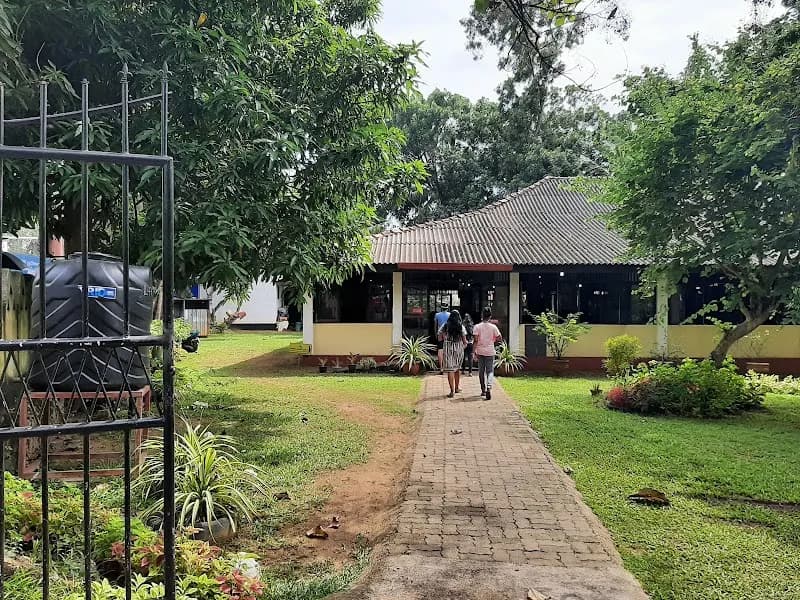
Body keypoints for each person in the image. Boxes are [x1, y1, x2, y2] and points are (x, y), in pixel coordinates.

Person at [473, 306, 502, 400]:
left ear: (482, 315)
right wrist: (493, 340)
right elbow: (499, 338)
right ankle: (489, 386)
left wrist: (473, 352)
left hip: (480, 351)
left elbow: (476, 341)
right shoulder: (493, 327)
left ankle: (483, 390)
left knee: (481, 371)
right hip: (490, 351)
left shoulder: (477, 327)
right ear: (490, 316)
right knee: (490, 371)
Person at [438, 310, 467, 398]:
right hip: (458, 348)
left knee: (450, 370)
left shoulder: (445, 326)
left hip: (448, 347)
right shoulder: (461, 327)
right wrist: (463, 347)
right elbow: (465, 341)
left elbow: (439, 337)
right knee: (457, 368)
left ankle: (451, 391)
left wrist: (444, 338)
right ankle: (457, 388)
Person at [433, 303, 451, 374]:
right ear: (447, 308)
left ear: (441, 308)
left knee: (440, 350)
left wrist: (435, 334)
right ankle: (447, 366)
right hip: (447, 333)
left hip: (440, 333)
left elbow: (435, 325)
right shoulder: (450, 315)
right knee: (448, 350)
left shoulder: (437, 315)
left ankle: (441, 368)